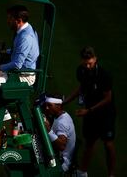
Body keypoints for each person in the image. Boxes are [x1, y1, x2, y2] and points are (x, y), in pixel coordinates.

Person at [0, 5, 40, 129]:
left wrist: (0, 68)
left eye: (10, 18)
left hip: (24, 76)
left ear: (18, 20)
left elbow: (17, 64)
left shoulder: (26, 37)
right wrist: (5, 52)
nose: (8, 21)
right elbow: (18, 51)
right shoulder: (24, 31)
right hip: (16, 73)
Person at [63, 46, 116, 177]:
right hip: (89, 112)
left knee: (108, 144)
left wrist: (89, 110)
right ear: (81, 61)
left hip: (105, 113)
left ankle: (111, 174)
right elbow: (81, 88)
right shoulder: (81, 71)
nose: (87, 66)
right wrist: (65, 101)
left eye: (90, 63)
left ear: (95, 59)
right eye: (85, 63)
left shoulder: (104, 75)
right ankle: (82, 172)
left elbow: (108, 98)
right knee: (89, 143)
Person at [43, 94, 76, 173]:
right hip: (59, 157)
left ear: (58, 106)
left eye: (49, 105)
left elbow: (61, 146)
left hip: (61, 164)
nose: (46, 108)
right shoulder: (62, 115)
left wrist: (48, 131)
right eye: (46, 105)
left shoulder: (62, 123)